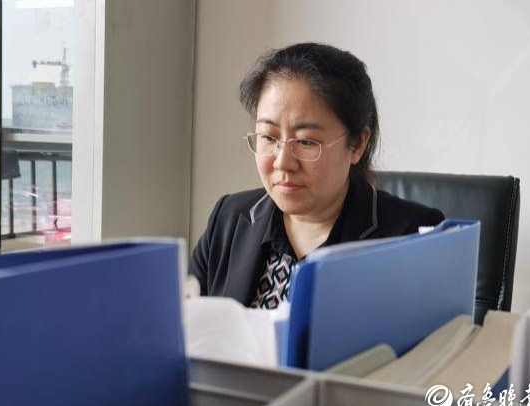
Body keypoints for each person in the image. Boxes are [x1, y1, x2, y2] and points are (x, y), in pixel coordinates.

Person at [189, 42, 444, 309]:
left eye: (306, 142)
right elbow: (187, 324)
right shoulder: (229, 218)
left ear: (357, 144)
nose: (283, 162)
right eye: (268, 137)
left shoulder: (412, 238)